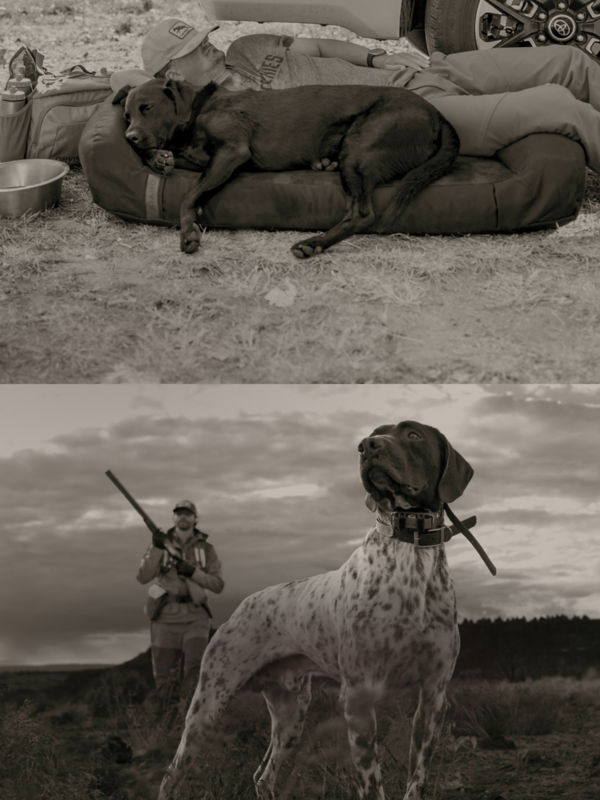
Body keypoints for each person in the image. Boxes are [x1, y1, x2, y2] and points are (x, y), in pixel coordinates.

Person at [112, 13, 600, 174]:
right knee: (558, 105)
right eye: (199, 50)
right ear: (171, 74)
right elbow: (123, 86)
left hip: (428, 74)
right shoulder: (214, 122)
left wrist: (376, 58)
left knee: (572, 61)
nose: (211, 47)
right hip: (418, 112)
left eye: (206, 39)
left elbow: (320, 43)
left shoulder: (248, 46)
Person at [136, 498, 224, 707]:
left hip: (196, 617)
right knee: (164, 677)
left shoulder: (207, 549)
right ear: (173, 517)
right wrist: (157, 549)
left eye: (188, 513)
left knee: (195, 671)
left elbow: (218, 585)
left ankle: (191, 719)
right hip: (165, 618)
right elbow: (142, 577)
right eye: (179, 513)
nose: (183, 516)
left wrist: (193, 572)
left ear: (195, 518)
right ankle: (167, 725)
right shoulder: (158, 544)